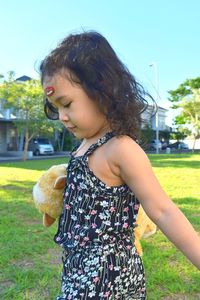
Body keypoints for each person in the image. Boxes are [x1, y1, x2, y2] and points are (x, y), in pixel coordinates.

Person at [39, 31, 200, 300]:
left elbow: (163, 211)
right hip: (77, 270)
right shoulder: (82, 147)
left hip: (109, 278)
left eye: (66, 104)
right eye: (56, 108)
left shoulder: (121, 148)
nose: (63, 117)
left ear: (101, 90)